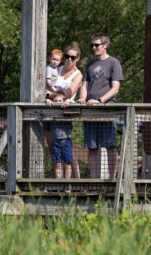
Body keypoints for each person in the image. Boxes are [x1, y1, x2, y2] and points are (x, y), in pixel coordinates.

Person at [79, 33, 123, 179]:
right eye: (92, 45)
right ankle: (92, 180)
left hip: (106, 109)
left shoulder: (114, 63)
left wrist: (100, 100)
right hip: (89, 110)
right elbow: (84, 84)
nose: (93, 47)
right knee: (92, 147)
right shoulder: (90, 64)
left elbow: (115, 88)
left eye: (96, 45)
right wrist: (82, 99)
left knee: (110, 145)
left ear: (105, 46)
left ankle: (112, 179)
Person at [46, 42, 84, 178]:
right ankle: (57, 181)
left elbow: (69, 92)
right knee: (53, 150)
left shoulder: (78, 74)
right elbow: (46, 85)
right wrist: (49, 96)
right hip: (50, 110)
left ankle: (76, 181)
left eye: (72, 57)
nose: (69, 59)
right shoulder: (58, 68)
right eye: (67, 56)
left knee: (68, 152)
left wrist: (53, 94)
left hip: (64, 112)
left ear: (77, 59)